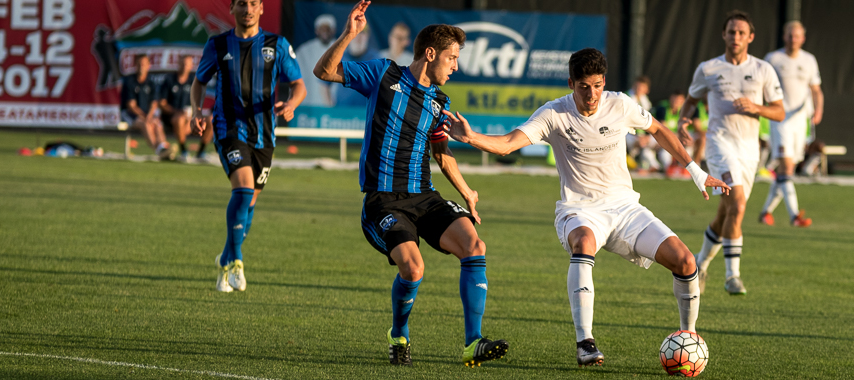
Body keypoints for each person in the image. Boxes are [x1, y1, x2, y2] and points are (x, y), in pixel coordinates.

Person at [443, 47, 730, 367]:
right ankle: (585, 343)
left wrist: (696, 172)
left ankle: (687, 338)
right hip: (578, 210)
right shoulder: (554, 113)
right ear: (571, 83)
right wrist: (471, 138)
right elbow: (509, 143)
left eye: (597, 85)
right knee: (584, 242)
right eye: (583, 87)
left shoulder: (620, 104)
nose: (591, 94)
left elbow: (659, 130)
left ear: (604, 82)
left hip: (625, 208)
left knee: (686, 260)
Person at [312, 1, 509, 367]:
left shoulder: (439, 101)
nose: (456, 66)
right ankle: (398, 333)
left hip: (425, 197)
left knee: (474, 245)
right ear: (430, 54)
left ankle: (473, 342)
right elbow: (324, 71)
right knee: (413, 269)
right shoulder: (384, 74)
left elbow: (441, 152)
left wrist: (466, 191)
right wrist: (349, 34)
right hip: (383, 202)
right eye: (452, 58)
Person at [190, 0, 306, 293]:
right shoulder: (217, 45)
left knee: (249, 203)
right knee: (242, 189)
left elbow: (299, 84)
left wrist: (291, 104)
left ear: (262, 8)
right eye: (242, 3)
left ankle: (226, 257)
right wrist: (195, 111)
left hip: (264, 135)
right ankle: (236, 261)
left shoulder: (276, 45)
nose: (248, 9)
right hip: (228, 129)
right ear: (232, 9)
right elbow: (199, 82)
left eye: (254, 3)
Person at [676, 11, 786, 295]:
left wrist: (757, 108)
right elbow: (691, 101)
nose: (735, 37)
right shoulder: (709, 68)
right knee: (737, 205)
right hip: (719, 144)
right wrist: (683, 121)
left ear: (750, 37)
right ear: (723, 35)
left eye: (741, 33)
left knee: (727, 212)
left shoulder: (763, 70)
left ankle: (700, 264)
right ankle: (732, 277)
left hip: (749, 150)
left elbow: (779, 111)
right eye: (731, 32)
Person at [760, 21, 822, 227]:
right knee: (786, 167)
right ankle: (795, 216)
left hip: (800, 121)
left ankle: (765, 212)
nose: (793, 39)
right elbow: (760, 85)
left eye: (797, 36)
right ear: (784, 37)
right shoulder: (773, 58)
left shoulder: (809, 60)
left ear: (803, 38)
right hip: (780, 119)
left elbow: (815, 89)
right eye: (789, 35)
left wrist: (818, 110)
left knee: (788, 170)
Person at [161, 55, 213, 162]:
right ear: (178, 64)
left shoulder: (194, 81)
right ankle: (184, 151)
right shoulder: (169, 80)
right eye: (183, 64)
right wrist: (178, 112)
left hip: (192, 117)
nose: (185, 67)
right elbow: (162, 103)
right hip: (172, 118)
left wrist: (195, 112)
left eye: (187, 64)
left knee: (211, 120)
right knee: (180, 118)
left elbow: (200, 100)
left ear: (191, 66)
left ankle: (200, 152)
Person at [121, 54, 172, 159]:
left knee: (157, 123)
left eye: (144, 64)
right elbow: (131, 106)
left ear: (149, 66)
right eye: (139, 64)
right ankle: (159, 150)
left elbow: (154, 104)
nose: (141, 67)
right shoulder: (130, 82)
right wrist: (146, 117)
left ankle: (164, 146)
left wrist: (149, 116)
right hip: (131, 115)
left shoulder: (151, 82)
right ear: (135, 65)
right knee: (146, 124)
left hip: (146, 115)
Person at [332, 25, 382, 108]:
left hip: (366, 113)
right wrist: (331, 108)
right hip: (341, 115)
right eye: (355, 33)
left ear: (367, 36)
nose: (358, 36)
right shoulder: (339, 57)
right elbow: (324, 84)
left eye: (362, 33)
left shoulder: (376, 58)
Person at [296, 14, 338, 107]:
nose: (325, 32)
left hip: (333, 109)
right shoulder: (304, 50)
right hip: (308, 106)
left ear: (333, 31)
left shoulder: (341, 48)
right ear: (316, 31)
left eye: (328, 29)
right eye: (322, 29)